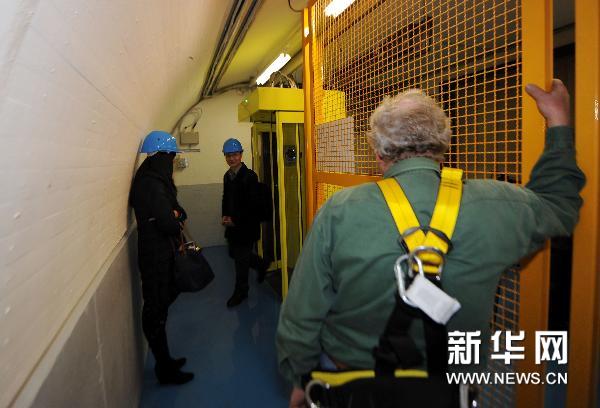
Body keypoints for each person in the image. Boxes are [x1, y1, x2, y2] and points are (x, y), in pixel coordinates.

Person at [276, 79, 584, 407]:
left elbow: (301, 314)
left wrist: (301, 377)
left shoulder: (339, 211)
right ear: (443, 145)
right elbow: (559, 204)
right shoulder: (500, 205)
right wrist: (558, 120)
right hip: (450, 391)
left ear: (378, 153)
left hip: (354, 388)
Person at [129, 130, 194, 385]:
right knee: (155, 310)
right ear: (160, 156)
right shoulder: (151, 183)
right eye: (170, 157)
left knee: (162, 305)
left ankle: (165, 361)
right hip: (154, 256)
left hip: (159, 253)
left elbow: (178, 211)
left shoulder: (154, 179)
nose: (172, 162)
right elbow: (169, 221)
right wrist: (174, 216)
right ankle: (164, 369)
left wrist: (175, 214)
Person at [221, 138, 270, 308]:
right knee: (234, 254)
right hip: (233, 226)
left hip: (247, 227)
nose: (231, 158)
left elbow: (252, 206)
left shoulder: (250, 176)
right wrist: (225, 215)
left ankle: (241, 291)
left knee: (240, 261)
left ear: (241, 155)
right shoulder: (227, 176)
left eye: (235, 154)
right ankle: (261, 264)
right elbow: (225, 198)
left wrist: (235, 220)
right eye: (228, 155)